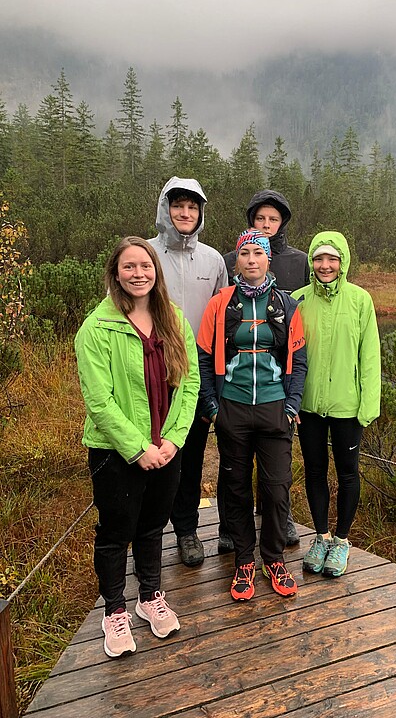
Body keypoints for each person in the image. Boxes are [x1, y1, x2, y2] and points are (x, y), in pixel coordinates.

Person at [75, 237, 200, 658]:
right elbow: (99, 401)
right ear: (115, 273)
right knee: (115, 533)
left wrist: (173, 439)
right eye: (128, 266)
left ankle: (150, 597)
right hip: (115, 453)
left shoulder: (174, 320)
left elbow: (190, 384)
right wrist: (138, 448)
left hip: (166, 449)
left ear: (155, 271)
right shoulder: (96, 329)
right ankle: (114, 610)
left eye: (145, 266)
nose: (138, 273)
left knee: (152, 526)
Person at [197, 229, 307, 601]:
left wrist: (291, 406)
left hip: (275, 408)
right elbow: (203, 358)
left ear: (268, 259)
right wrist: (213, 408)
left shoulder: (287, 305)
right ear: (237, 261)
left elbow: (299, 360)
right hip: (233, 407)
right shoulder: (220, 304)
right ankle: (244, 560)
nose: (251, 259)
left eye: (258, 253)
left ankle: (273, 558)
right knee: (236, 488)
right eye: (245, 253)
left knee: (276, 489)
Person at [222, 189, 309, 549]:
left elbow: (303, 316)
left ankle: (280, 520)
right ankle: (231, 529)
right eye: (260, 218)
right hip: (237, 388)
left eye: (273, 219)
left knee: (277, 471)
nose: (267, 224)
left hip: (278, 380)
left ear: (282, 222)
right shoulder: (232, 259)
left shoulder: (300, 260)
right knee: (234, 471)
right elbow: (222, 323)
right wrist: (214, 399)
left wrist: (292, 400)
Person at [148, 176, 228, 566]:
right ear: (165, 208)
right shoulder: (146, 254)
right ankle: (146, 535)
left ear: (200, 213)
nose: (184, 212)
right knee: (146, 455)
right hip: (149, 373)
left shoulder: (213, 261)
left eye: (192, 207)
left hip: (194, 378)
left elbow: (224, 320)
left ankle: (186, 531)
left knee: (191, 457)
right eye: (178, 205)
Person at [292, 231, 381, 578]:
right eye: (319, 258)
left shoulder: (360, 300)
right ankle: (321, 537)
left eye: (332, 259)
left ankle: (341, 540)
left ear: (343, 262)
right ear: (311, 261)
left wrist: (368, 405)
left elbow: (369, 355)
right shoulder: (298, 300)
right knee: (314, 471)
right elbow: (289, 356)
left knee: (347, 473)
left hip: (348, 406)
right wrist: (290, 401)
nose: (325, 265)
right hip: (308, 406)